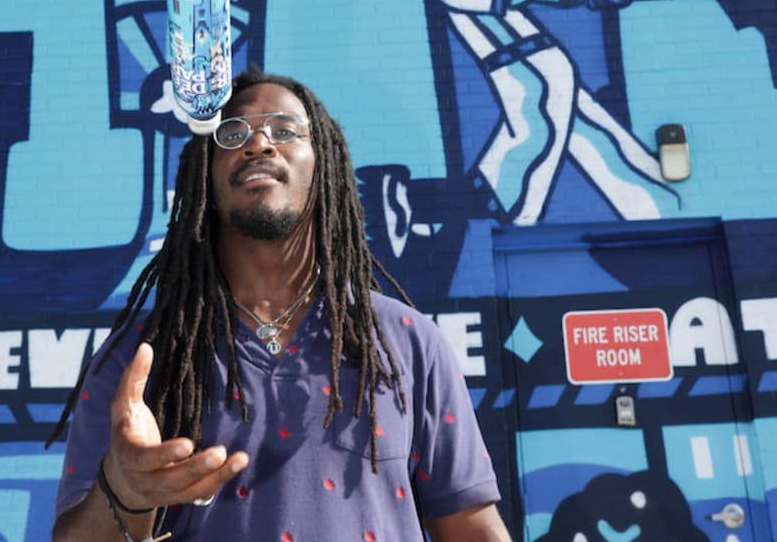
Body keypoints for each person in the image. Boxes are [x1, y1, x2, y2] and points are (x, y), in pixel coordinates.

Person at [49, 68, 512, 541]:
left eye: (285, 130)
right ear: (204, 175)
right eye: (233, 134)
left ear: (324, 164)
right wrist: (124, 491)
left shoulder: (408, 343)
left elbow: (471, 527)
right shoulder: (137, 360)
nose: (259, 144)